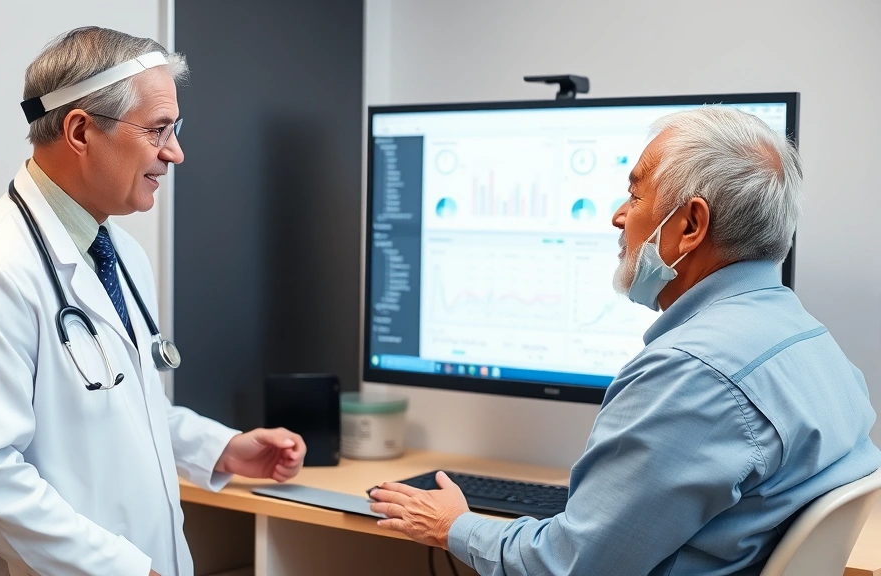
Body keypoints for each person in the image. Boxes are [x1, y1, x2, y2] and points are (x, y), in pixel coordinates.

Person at [368, 106, 881, 575]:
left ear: (690, 225)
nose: (618, 215)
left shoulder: (691, 373)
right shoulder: (811, 342)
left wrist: (454, 526)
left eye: (635, 196)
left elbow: (566, 567)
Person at [0, 27, 306, 576]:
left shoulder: (118, 253)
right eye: (158, 129)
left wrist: (220, 448)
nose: (176, 152)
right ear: (79, 130)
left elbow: (124, 406)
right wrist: (123, 568)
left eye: (176, 128)